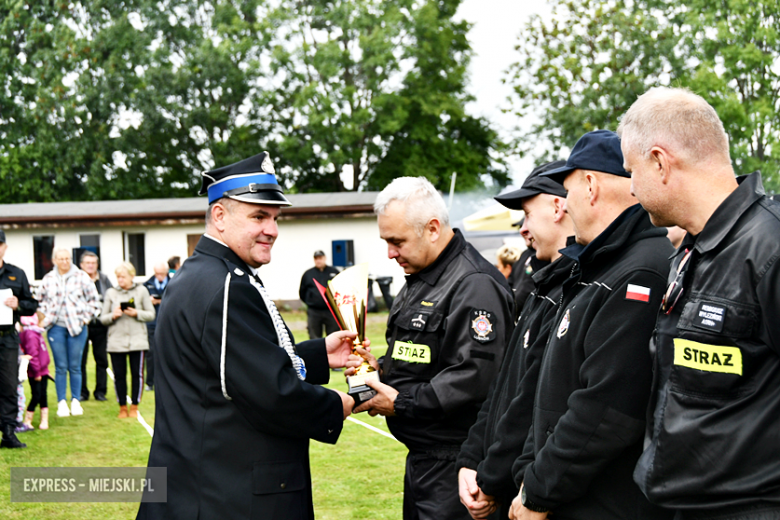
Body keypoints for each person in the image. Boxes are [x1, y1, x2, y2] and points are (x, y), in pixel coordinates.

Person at [137, 152, 358, 520]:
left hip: (200, 486)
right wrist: (340, 404)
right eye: (258, 216)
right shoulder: (226, 284)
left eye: (274, 218)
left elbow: (232, 367)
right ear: (219, 216)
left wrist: (318, 355)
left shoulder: (203, 274)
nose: (271, 229)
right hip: (227, 495)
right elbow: (269, 393)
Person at [620, 88, 780, 518]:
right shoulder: (690, 254)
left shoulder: (770, 247)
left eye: (631, 171)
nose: (631, 188)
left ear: (659, 161)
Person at [507, 130, 674, 520]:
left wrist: (539, 489)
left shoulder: (642, 269)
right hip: (567, 496)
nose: (565, 207)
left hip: (604, 505)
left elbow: (606, 409)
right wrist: (530, 475)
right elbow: (547, 390)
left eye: (566, 193)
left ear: (590, 186)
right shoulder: (596, 267)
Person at [349, 176, 514, 520]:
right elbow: (420, 357)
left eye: (397, 241)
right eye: (386, 241)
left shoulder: (474, 284)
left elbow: (477, 376)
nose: (390, 253)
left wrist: (402, 402)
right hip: (424, 460)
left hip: (457, 464)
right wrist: (379, 369)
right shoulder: (420, 278)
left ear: (433, 229)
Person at [457, 161, 575, 520]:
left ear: (558, 207)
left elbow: (531, 401)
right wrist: (470, 458)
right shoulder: (541, 286)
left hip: (523, 489)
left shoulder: (571, 292)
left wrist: (491, 477)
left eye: (526, 214)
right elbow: (503, 386)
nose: (522, 229)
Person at [38, 248, 100, 419]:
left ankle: (75, 400)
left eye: (67, 258)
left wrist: (85, 318)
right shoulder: (48, 279)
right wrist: (44, 317)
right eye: (61, 259)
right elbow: (40, 300)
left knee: (75, 365)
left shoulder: (81, 277)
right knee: (60, 366)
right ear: (54, 260)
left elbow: (94, 301)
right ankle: (61, 402)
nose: (65, 262)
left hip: (77, 327)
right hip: (56, 327)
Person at [100, 262, 155, 419]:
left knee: (137, 375)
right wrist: (113, 315)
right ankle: (122, 406)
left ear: (132, 276)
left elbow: (151, 314)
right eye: (118, 277)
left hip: (138, 340)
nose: (120, 279)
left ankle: (135, 406)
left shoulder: (142, 291)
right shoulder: (111, 293)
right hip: (116, 342)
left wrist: (136, 313)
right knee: (119, 375)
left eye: (123, 276)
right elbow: (103, 319)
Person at [0, 230, 38, 448]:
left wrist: (19, 305)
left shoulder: (16, 273)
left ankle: (8, 432)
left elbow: (32, 304)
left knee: (8, 385)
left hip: (6, 338)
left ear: (5, 247)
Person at [79, 251, 112, 401]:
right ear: (81, 265)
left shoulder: (104, 279)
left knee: (102, 359)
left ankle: (100, 392)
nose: (91, 266)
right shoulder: (76, 279)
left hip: (100, 324)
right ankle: (82, 392)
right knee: (80, 360)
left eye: (93, 263)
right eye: (88, 263)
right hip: (82, 324)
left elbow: (111, 297)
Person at [142, 262, 171, 391]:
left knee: (169, 352)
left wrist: (162, 300)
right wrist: (148, 301)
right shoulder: (146, 285)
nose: (159, 276)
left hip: (168, 323)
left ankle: (169, 381)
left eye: (162, 273)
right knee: (152, 353)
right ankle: (150, 382)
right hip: (152, 324)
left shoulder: (175, 282)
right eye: (157, 273)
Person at [298, 250, 340, 339]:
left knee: (334, 336)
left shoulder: (334, 272)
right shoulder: (308, 274)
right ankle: (317, 353)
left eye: (320, 258)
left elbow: (341, 289)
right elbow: (302, 292)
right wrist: (311, 302)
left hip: (331, 310)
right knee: (314, 336)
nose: (318, 260)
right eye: (316, 258)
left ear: (325, 258)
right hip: (314, 311)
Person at [19, 314, 51, 430]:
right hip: (35, 372)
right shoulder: (31, 335)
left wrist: (45, 370)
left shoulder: (37, 333)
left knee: (43, 395)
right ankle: (27, 419)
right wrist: (37, 372)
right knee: (36, 395)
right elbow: (33, 355)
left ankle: (44, 419)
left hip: (43, 371)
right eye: (42, 321)